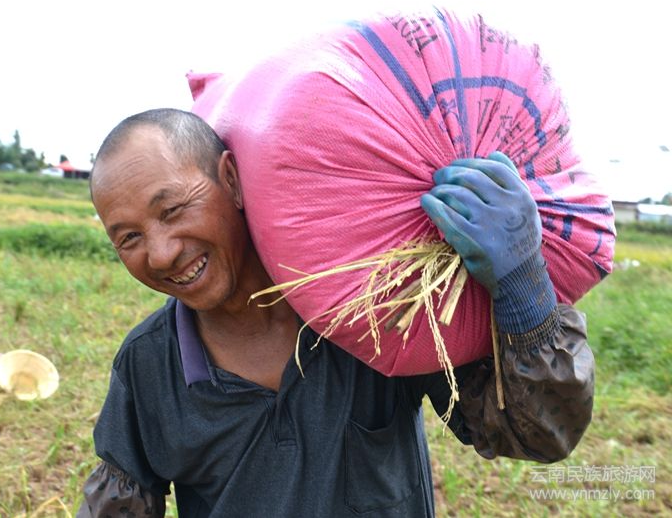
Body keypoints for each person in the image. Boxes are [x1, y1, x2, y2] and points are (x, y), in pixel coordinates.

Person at [77, 108, 594, 517]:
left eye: (172, 210)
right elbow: (119, 503)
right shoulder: (148, 365)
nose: (161, 253)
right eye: (129, 238)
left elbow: (538, 433)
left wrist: (523, 286)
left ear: (230, 180)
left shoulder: (376, 308)